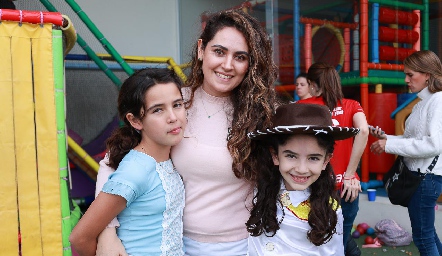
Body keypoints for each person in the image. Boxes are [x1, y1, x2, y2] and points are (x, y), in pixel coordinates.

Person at [95, 9, 280, 256]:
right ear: (202, 50)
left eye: (240, 57)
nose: (227, 65)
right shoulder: (174, 104)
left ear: (250, 64)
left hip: (243, 246)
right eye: (219, 51)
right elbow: (111, 163)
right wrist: (107, 231)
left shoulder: (262, 115)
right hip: (175, 244)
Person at [69, 68, 187, 256]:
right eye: (158, 110)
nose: (173, 117)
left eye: (177, 105)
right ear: (135, 121)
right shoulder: (136, 170)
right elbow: (80, 237)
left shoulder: (167, 158)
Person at [246, 103, 360, 255]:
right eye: (291, 156)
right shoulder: (256, 192)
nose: (301, 169)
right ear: (275, 155)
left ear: (326, 161)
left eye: (313, 158)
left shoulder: (330, 210)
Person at [369, 50, 442, 256]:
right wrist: (386, 139)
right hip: (422, 179)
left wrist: (388, 146)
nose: (406, 79)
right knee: (428, 235)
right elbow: (413, 141)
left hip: (425, 179)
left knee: (423, 237)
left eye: (411, 75)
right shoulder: (422, 103)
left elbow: (433, 145)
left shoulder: (438, 101)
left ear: (427, 74)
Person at [296, 62, 369, 256]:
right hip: (347, 188)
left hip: (312, 187)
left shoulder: (302, 106)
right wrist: (350, 174)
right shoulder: (352, 105)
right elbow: (363, 131)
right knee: (341, 242)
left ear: (312, 84)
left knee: (313, 244)